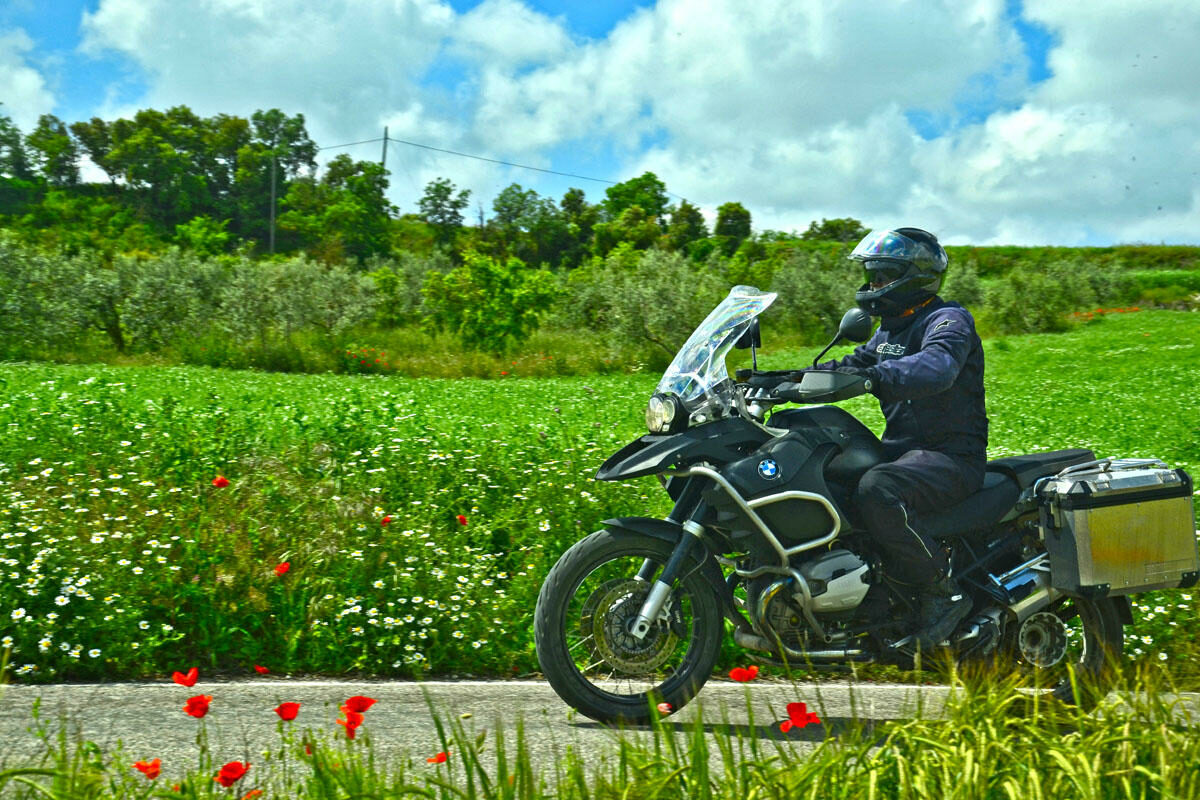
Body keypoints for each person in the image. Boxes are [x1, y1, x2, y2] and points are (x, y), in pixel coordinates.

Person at [811, 227, 988, 649]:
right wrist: (780, 380)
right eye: (871, 276)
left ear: (914, 276)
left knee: (877, 489)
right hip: (905, 453)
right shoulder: (889, 330)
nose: (873, 286)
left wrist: (872, 379)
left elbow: (937, 367)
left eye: (882, 276)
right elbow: (853, 362)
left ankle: (943, 593)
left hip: (951, 458)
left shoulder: (948, 321)